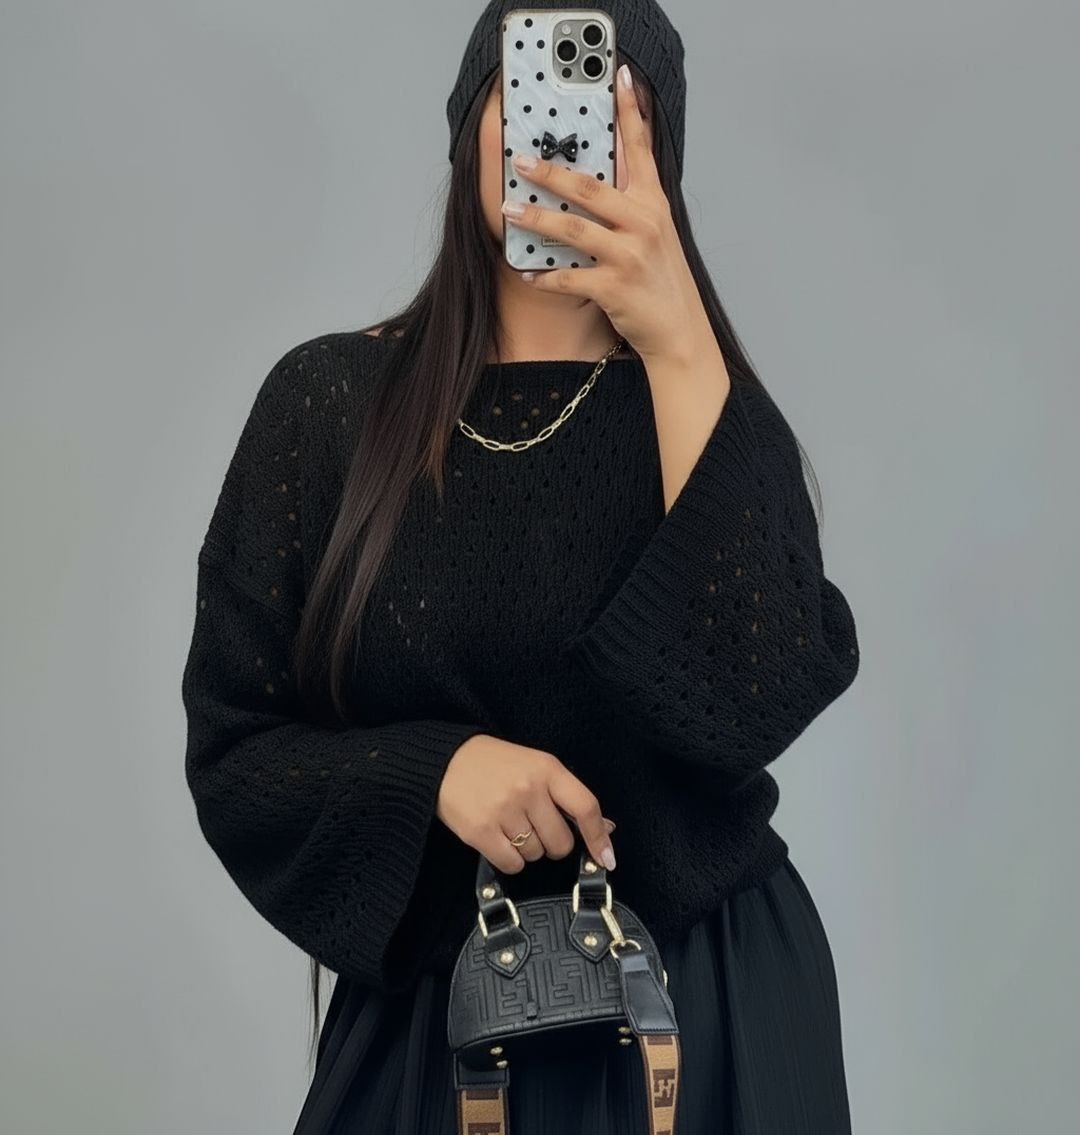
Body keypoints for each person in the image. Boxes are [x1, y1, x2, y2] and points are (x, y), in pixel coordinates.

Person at [181, 1, 861, 1131]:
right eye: (527, 84)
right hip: (432, 1032)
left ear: (655, 156)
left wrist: (679, 342)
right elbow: (236, 752)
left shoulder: (708, 409)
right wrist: (433, 774)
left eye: (603, 96)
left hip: (712, 1017)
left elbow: (760, 694)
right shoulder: (327, 407)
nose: (555, 126)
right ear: (470, 124)